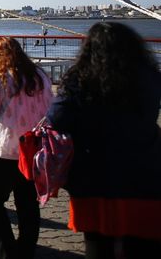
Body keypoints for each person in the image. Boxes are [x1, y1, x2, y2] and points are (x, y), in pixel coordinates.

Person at [46, 22, 161, 258]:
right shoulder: (150, 76)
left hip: (94, 174)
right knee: (142, 243)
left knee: (98, 243)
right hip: (146, 171)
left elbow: (56, 119)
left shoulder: (80, 79)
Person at [0, 37, 53, 259]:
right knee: (27, 202)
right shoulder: (40, 76)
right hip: (34, 147)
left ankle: (8, 249)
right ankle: (26, 248)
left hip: (7, 150)